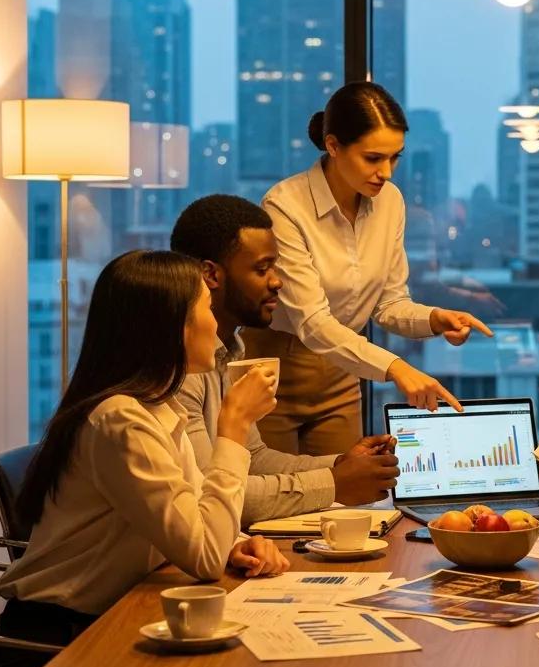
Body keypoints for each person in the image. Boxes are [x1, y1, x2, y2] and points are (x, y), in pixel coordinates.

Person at [0, 250, 333, 667]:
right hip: (57, 652)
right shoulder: (120, 421)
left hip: (113, 624)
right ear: (166, 325)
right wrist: (232, 429)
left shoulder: (157, 409)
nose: (216, 325)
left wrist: (234, 544)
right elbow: (198, 557)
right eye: (204, 306)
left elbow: (199, 528)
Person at [242, 81, 493, 456]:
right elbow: (312, 323)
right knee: (280, 501)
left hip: (344, 371)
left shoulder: (389, 201)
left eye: (395, 158)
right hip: (274, 374)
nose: (387, 172)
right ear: (333, 146)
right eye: (373, 158)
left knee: (345, 500)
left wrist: (436, 319)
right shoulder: (284, 206)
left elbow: (389, 304)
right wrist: (396, 368)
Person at [171, 194, 401, 526]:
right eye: (262, 269)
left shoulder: (230, 349)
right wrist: (335, 484)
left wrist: (341, 464)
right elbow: (214, 495)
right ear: (211, 274)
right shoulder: (181, 367)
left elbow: (254, 460)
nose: (277, 281)